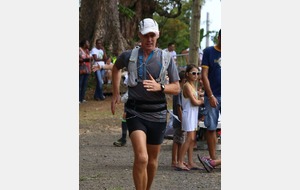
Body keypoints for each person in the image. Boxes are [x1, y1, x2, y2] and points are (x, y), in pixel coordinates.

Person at [111, 18, 180, 190]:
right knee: (142, 157)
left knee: (152, 161)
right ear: (139, 36)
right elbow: (115, 68)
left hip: (157, 114)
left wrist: (160, 86)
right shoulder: (129, 56)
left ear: (157, 35)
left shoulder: (165, 58)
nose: (149, 39)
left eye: (152, 35)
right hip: (135, 112)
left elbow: (177, 87)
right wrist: (115, 93)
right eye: (145, 35)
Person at [198, 29, 221, 172]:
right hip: (213, 95)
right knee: (211, 127)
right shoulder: (209, 52)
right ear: (219, 37)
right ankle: (213, 160)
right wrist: (210, 95)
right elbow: (204, 75)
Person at [176, 64, 204, 171]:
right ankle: (180, 161)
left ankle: (190, 162)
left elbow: (196, 97)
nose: (196, 75)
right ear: (187, 74)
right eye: (193, 73)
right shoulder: (187, 86)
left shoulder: (193, 85)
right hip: (188, 114)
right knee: (189, 138)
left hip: (193, 114)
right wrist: (202, 101)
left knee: (192, 140)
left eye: (197, 73)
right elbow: (194, 101)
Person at [171, 70, 186, 168]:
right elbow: (178, 107)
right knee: (177, 141)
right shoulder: (178, 92)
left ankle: (179, 159)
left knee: (181, 140)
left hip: (179, 119)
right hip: (178, 119)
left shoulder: (180, 91)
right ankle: (174, 161)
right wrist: (182, 120)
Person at [79, 39, 92, 104]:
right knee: (79, 84)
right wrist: (84, 60)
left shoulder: (87, 51)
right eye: (87, 43)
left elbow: (89, 59)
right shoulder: (79, 50)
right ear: (84, 44)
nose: (88, 44)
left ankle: (82, 98)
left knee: (84, 85)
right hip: (81, 70)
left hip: (87, 70)